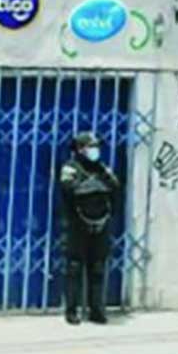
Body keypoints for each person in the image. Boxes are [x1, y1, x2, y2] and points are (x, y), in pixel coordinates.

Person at [59, 132, 120, 325]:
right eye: (90, 147)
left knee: (98, 267)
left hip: (100, 223)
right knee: (74, 267)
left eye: (96, 147)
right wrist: (97, 186)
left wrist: (94, 185)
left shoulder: (101, 167)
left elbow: (114, 185)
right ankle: (71, 310)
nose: (94, 150)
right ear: (80, 149)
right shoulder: (70, 167)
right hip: (77, 224)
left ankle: (96, 310)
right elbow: (71, 189)